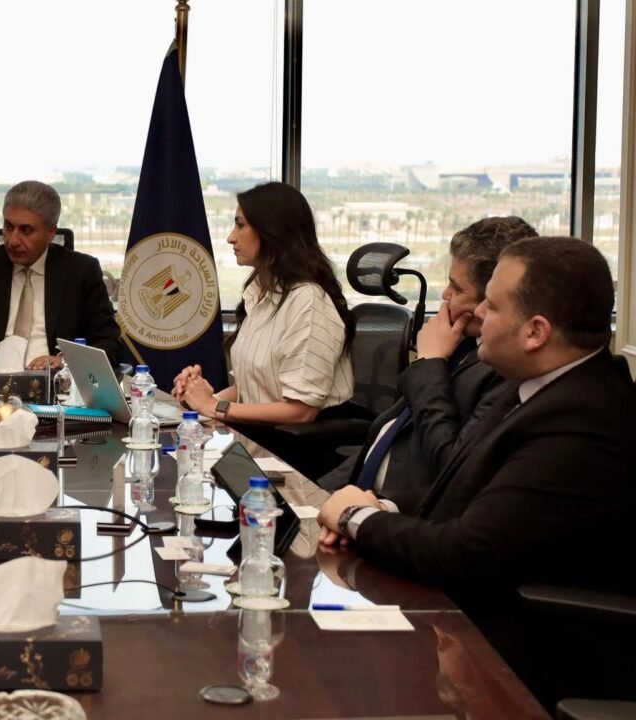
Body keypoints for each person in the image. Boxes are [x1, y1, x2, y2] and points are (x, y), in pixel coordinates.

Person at [316, 237, 634, 704]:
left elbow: (461, 552)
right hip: (470, 624)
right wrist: (380, 504)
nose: (478, 312)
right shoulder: (534, 388)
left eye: (494, 305)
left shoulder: (582, 420)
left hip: (533, 659)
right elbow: (464, 488)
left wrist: (354, 517)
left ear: (535, 332)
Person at [316, 217, 538, 513]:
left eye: (457, 288)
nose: (445, 295)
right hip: (359, 501)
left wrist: (430, 363)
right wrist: (317, 494)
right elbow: (387, 435)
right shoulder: (459, 345)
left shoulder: (505, 369)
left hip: (402, 516)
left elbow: (452, 467)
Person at [172, 182, 355, 425]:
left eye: (240, 225)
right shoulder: (259, 294)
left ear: (271, 231)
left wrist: (214, 407)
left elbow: (301, 411)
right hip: (253, 439)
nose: (230, 237)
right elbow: (252, 389)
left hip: (288, 447)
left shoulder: (308, 301)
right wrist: (199, 400)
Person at [0, 180, 122, 371]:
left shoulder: (82, 271)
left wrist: (66, 361)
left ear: (51, 232)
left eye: (26, 230)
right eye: (8, 227)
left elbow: (110, 344)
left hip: (56, 383)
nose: (13, 241)